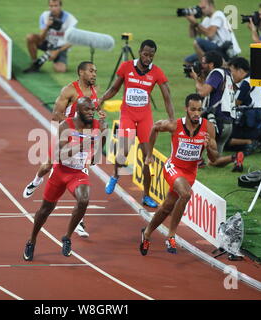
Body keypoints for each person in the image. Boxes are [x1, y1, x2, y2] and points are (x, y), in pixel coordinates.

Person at [23, 61, 103, 237]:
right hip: (66, 132)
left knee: (83, 172)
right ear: (81, 72)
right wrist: (74, 121)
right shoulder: (69, 90)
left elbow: (93, 107)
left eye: (95, 71)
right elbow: (55, 114)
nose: (94, 74)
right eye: (91, 71)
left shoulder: (95, 89)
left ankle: (80, 221)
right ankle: (36, 181)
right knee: (47, 166)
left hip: (84, 134)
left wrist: (98, 113)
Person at [23, 97, 106, 261]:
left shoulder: (97, 126)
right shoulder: (66, 125)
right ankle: (31, 240)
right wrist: (83, 144)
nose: (90, 113)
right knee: (45, 210)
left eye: (92, 109)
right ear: (78, 111)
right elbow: (60, 156)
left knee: (84, 200)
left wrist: (102, 134)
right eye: (86, 110)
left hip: (78, 173)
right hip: (60, 171)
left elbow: (95, 159)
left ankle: (67, 237)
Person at [139, 93, 219, 255]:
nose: (196, 113)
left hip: (190, 173)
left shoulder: (208, 128)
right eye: (193, 109)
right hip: (173, 167)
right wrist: (149, 154)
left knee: (167, 207)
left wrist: (209, 147)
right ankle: (171, 235)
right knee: (185, 194)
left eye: (199, 110)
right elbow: (155, 127)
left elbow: (214, 158)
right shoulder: (175, 125)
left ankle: (146, 232)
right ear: (186, 109)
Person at [101, 39, 175, 208]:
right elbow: (114, 89)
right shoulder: (126, 66)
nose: (148, 58)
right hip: (127, 114)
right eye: (145, 54)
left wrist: (172, 119)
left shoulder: (156, 72)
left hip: (144, 117)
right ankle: (114, 176)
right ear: (140, 52)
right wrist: (101, 99)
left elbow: (167, 96)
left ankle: (146, 195)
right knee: (124, 150)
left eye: (151, 55)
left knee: (147, 157)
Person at [190, 50, 244, 171]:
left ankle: (198, 160)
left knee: (191, 123)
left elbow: (202, 92)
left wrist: (195, 79)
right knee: (213, 161)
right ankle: (235, 157)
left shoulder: (216, 73)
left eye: (203, 63)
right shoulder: (227, 75)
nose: (201, 65)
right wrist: (201, 77)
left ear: (211, 64)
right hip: (228, 123)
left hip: (216, 120)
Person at [226, 57, 261, 156]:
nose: (231, 75)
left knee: (224, 140)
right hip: (257, 125)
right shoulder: (254, 79)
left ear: (240, 70)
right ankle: (255, 141)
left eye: (232, 71)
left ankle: (249, 142)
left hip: (249, 124)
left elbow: (235, 103)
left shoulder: (246, 83)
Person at [24, 0, 77, 73]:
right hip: (46, 42)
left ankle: (56, 59)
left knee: (60, 70)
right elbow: (41, 37)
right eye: (51, 6)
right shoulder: (45, 15)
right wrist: (47, 26)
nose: (53, 8)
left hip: (60, 46)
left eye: (56, 6)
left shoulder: (70, 20)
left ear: (60, 6)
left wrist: (57, 51)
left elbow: (72, 41)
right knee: (30, 37)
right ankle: (35, 63)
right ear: (48, 6)